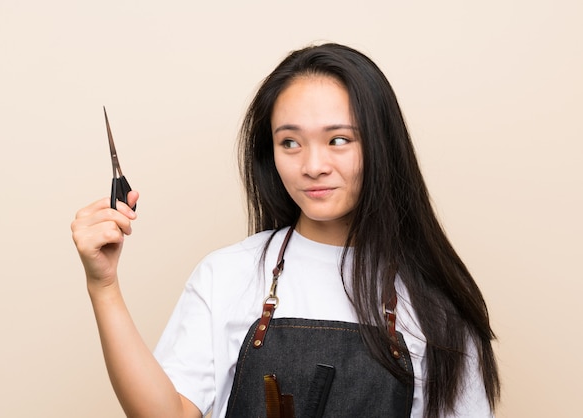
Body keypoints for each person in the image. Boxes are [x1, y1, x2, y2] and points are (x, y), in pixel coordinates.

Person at [71, 43, 500, 418]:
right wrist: (103, 286)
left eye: (339, 140)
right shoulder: (228, 275)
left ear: (380, 145)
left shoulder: (435, 305)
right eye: (290, 142)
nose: (313, 166)